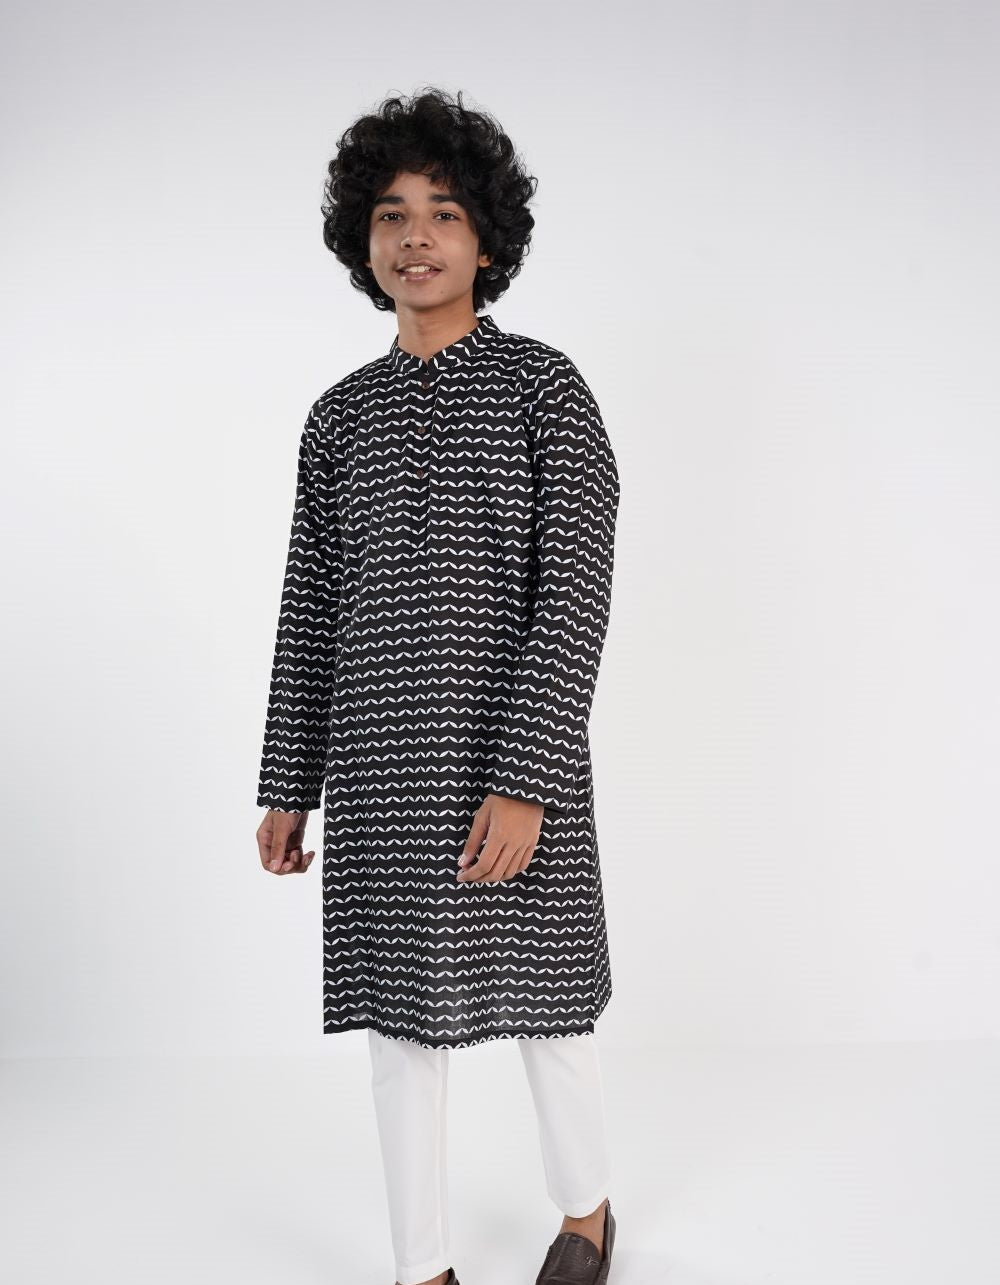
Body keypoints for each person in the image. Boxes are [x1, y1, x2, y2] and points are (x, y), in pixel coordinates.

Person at [254, 87, 621, 1285]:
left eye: (444, 213)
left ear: (486, 241)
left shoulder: (544, 391)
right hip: (379, 771)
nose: (415, 236)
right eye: (391, 214)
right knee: (398, 1028)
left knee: (548, 1009)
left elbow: (574, 595)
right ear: (362, 243)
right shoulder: (337, 419)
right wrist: (289, 782)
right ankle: (422, 1265)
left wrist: (524, 782)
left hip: (511, 763)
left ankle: (586, 1213)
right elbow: (310, 608)